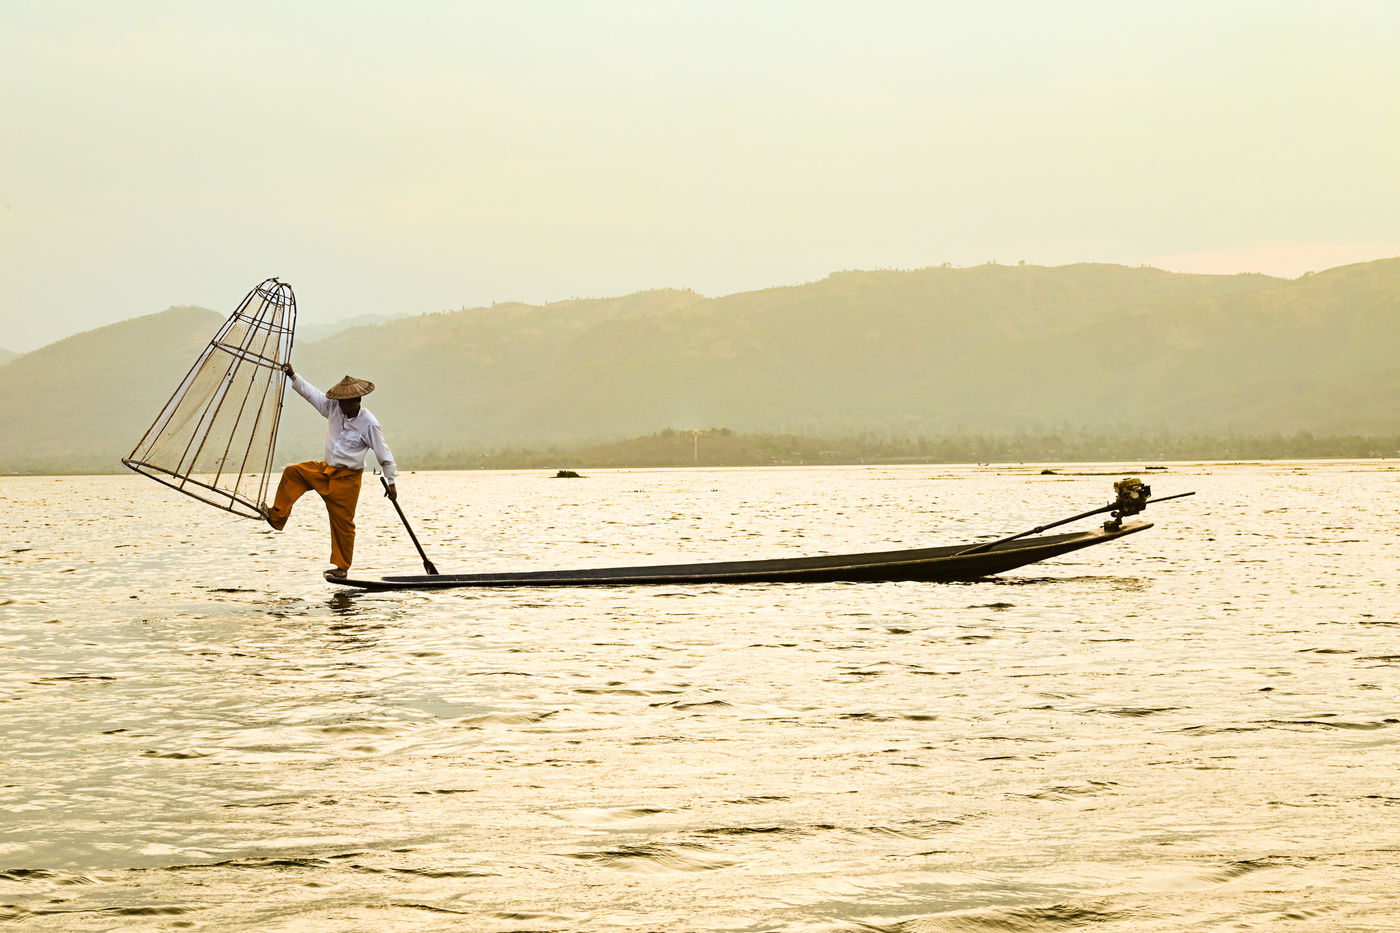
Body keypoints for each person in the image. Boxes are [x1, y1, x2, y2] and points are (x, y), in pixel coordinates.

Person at [263, 364, 397, 578]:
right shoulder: (333, 407)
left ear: (357, 401)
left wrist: (391, 483)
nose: (341, 407)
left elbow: (384, 454)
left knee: (343, 524)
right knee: (293, 472)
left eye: (346, 403)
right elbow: (312, 395)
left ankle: (342, 568)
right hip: (326, 470)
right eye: (340, 402)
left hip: (347, 480)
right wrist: (292, 375)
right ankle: (277, 516)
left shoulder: (369, 423)